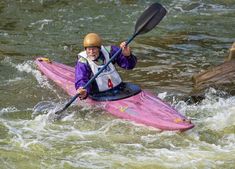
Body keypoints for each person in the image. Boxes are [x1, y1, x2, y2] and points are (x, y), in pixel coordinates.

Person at [75, 33, 137, 100]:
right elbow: (81, 78)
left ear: (99, 48)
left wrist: (127, 55)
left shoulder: (110, 51)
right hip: (98, 94)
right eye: (89, 49)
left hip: (119, 88)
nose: (91, 52)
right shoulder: (83, 62)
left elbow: (129, 66)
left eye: (94, 49)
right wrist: (83, 90)